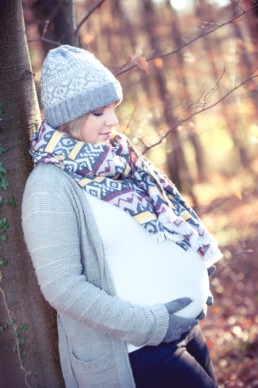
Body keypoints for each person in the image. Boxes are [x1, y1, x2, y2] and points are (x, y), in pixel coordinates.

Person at [22, 45, 223, 388]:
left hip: (188, 331)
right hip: (139, 352)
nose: (114, 121)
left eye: (113, 109)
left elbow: (165, 222)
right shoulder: (50, 186)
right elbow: (63, 288)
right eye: (100, 112)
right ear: (70, 117)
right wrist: (153, 325)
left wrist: (196, 267)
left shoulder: (119, 159)